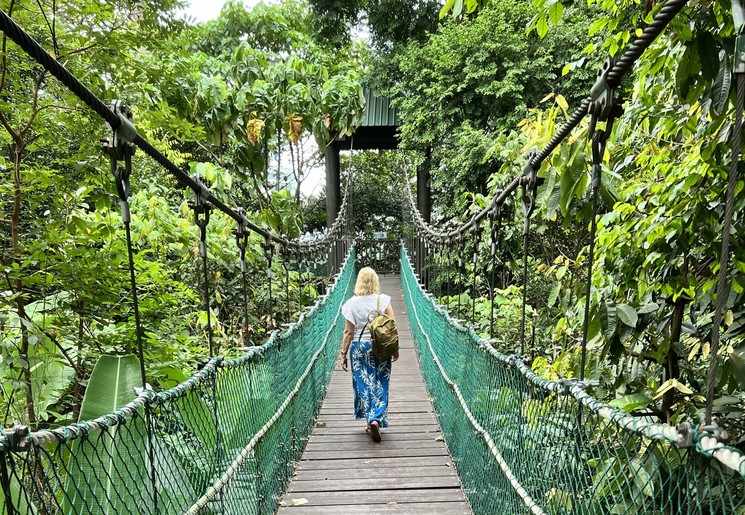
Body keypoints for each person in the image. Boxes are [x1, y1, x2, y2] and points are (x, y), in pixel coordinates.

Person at [339, 267, 399, 442]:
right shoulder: (383, 300)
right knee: (381, 383)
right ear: (375, 281)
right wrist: (395, 348)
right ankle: (376, 418)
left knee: (363, 385)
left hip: (359, 348)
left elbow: (348, 332)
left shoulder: (351, 303)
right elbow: (392, 326)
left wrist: (343, 354)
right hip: (380, 348)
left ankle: (369, 420)